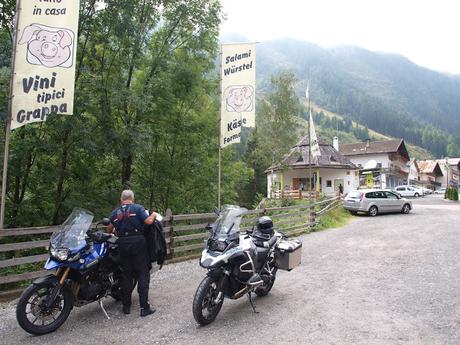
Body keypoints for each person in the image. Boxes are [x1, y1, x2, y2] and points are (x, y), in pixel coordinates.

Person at [107, 189, 156, 317]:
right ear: (132, 199)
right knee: (142, 273)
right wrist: (154, 215)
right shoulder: (138, 208)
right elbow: (148, 222)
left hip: (122, 243)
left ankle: (126, 306)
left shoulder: (115, 212)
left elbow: (109, 229)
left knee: (127, 274)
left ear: (121, 199)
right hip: (138, 242)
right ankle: (144, 307)